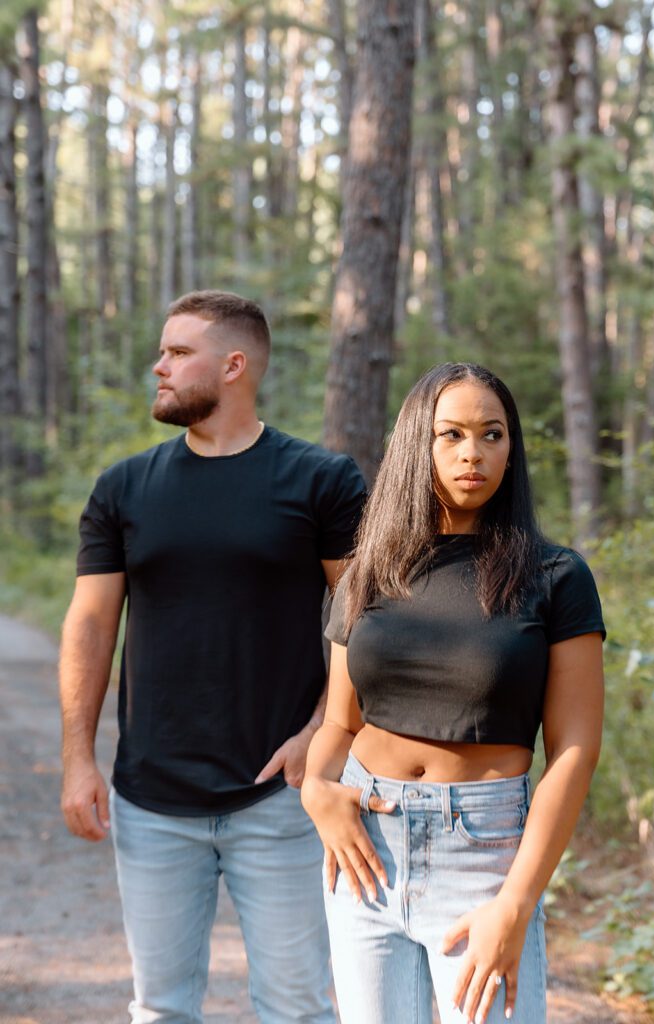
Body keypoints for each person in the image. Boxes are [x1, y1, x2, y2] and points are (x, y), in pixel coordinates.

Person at [59, 290, 365, 1024]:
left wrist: (323, 733)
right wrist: (77, 758)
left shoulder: (320, 480)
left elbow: (366, 614)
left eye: (176, 352)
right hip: (150, 799)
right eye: (161, 351)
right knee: (160, 1009)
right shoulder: (124, 488)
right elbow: (91, 625)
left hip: (280, 796)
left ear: (233, 366)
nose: (157, 366)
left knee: (296, 1007)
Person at [301, 362, 605, 1024]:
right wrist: (316, 790)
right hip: (365, 851)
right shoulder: (366, 575)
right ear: (418, 443)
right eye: (451, 435)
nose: (473, 453)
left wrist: (515, 902)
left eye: (491, 434)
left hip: (485, 856)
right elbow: (339, 725)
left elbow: (575, 750)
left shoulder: (554, 577)